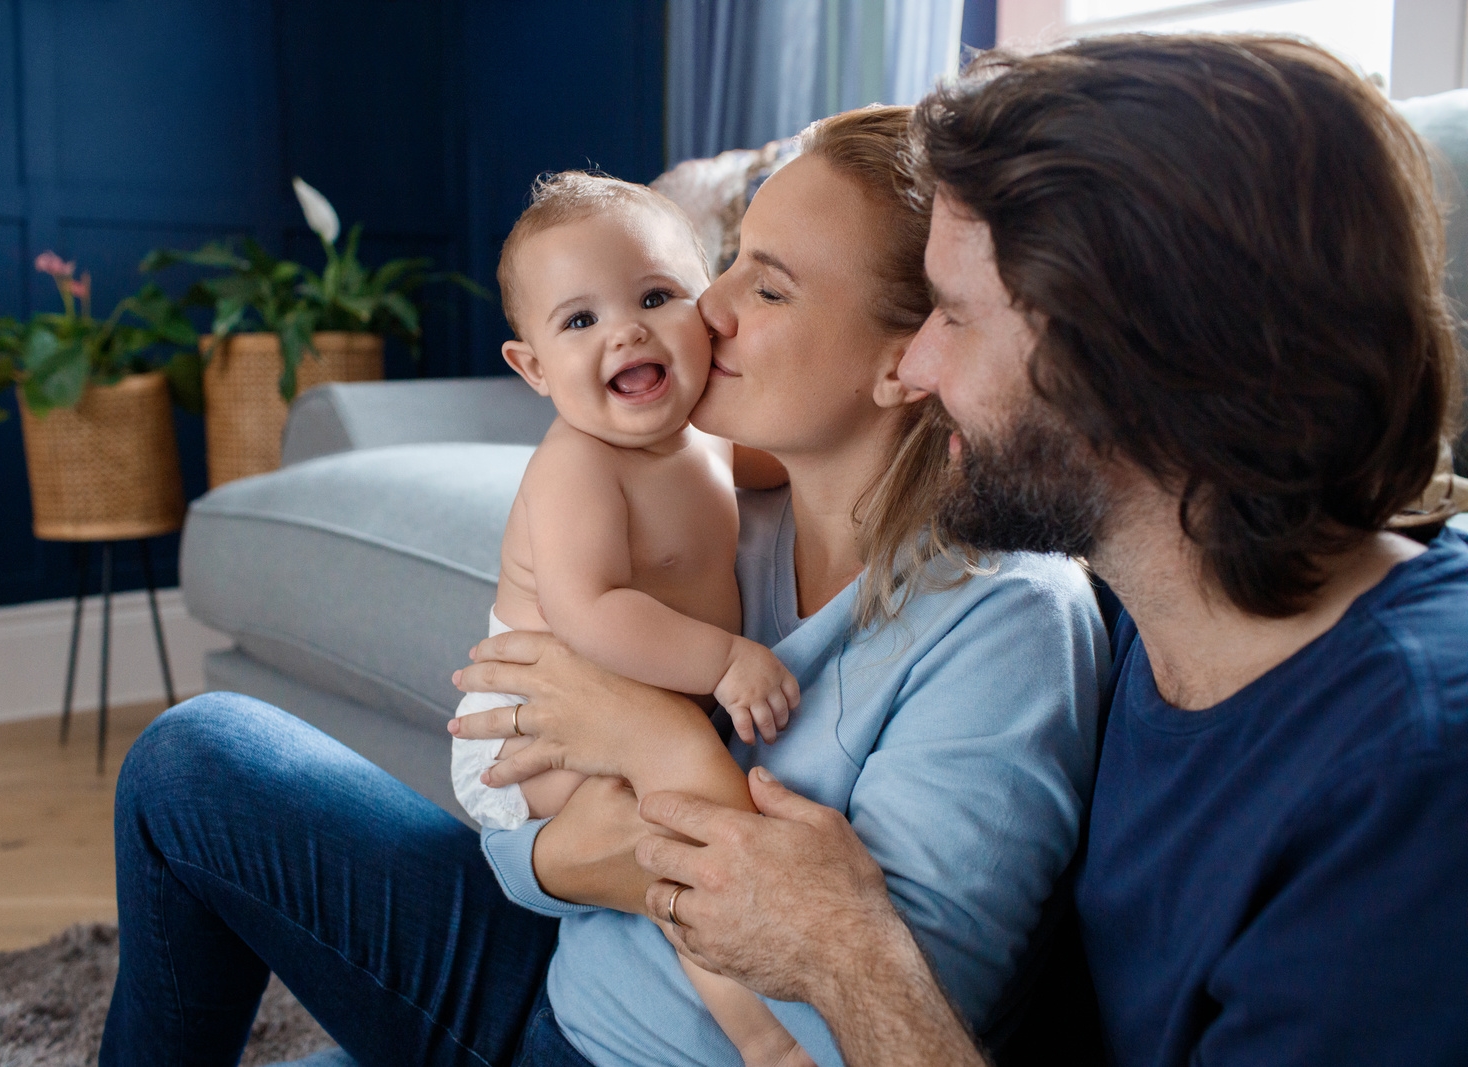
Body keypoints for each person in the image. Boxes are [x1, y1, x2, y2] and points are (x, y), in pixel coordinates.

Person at [455, 34, 1468, 1066]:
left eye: (956, 317)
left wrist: (842, 942)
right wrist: (568, 847)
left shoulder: (1404, 776)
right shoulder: (1161, 608)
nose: (920, 365)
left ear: (1138, 360)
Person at [99, 106, 1107, 1067]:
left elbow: (878, 1027)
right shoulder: (718, 510)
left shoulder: (1006, 618)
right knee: (193, 755)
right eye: (727, 261)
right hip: (549, 979)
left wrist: (654, 746)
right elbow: (520, 833)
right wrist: (571, 854)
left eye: (766, 284)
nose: (705, 307)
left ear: (908, 359)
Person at [451, 168, 809, 1067]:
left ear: (704, 309)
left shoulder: (711, 435)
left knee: (683, 806)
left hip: (634, 705)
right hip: (532, 730)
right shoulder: (578, 465)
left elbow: (796, 468)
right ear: (532, 367)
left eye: (656, 295)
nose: (627, 329)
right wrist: (725, 658)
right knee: (668, 828)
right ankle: (763, 1035)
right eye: (580, 320)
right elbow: (591, 613)